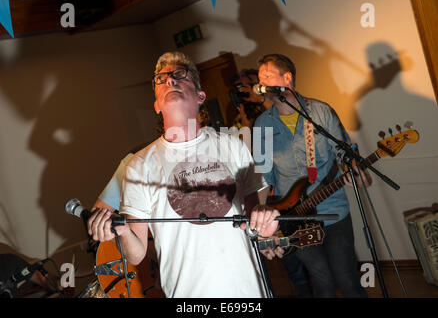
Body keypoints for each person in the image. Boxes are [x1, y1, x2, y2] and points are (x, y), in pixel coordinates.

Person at [87, 51, 280, 298]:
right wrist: (121, 230)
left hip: (248, 290)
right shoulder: (139, 165)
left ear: (200, 96)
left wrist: (265, 221)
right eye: (161, 79)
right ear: (156, 105)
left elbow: (253, 220)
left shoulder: (233, 145)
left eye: (180, 75)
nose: (170, 81)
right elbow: (136, 254)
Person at [253, 54, 372, 298]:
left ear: (287, 78)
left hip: (334, 211)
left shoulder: (320, 112)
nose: (261, 82)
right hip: (294, 219)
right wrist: (267, 221)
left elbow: (345, 154)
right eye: (259, 78)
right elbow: (263, 179)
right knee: (322, 282)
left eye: (267, 75)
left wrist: (358, 174)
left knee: (347, 277)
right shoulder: (261, 125)